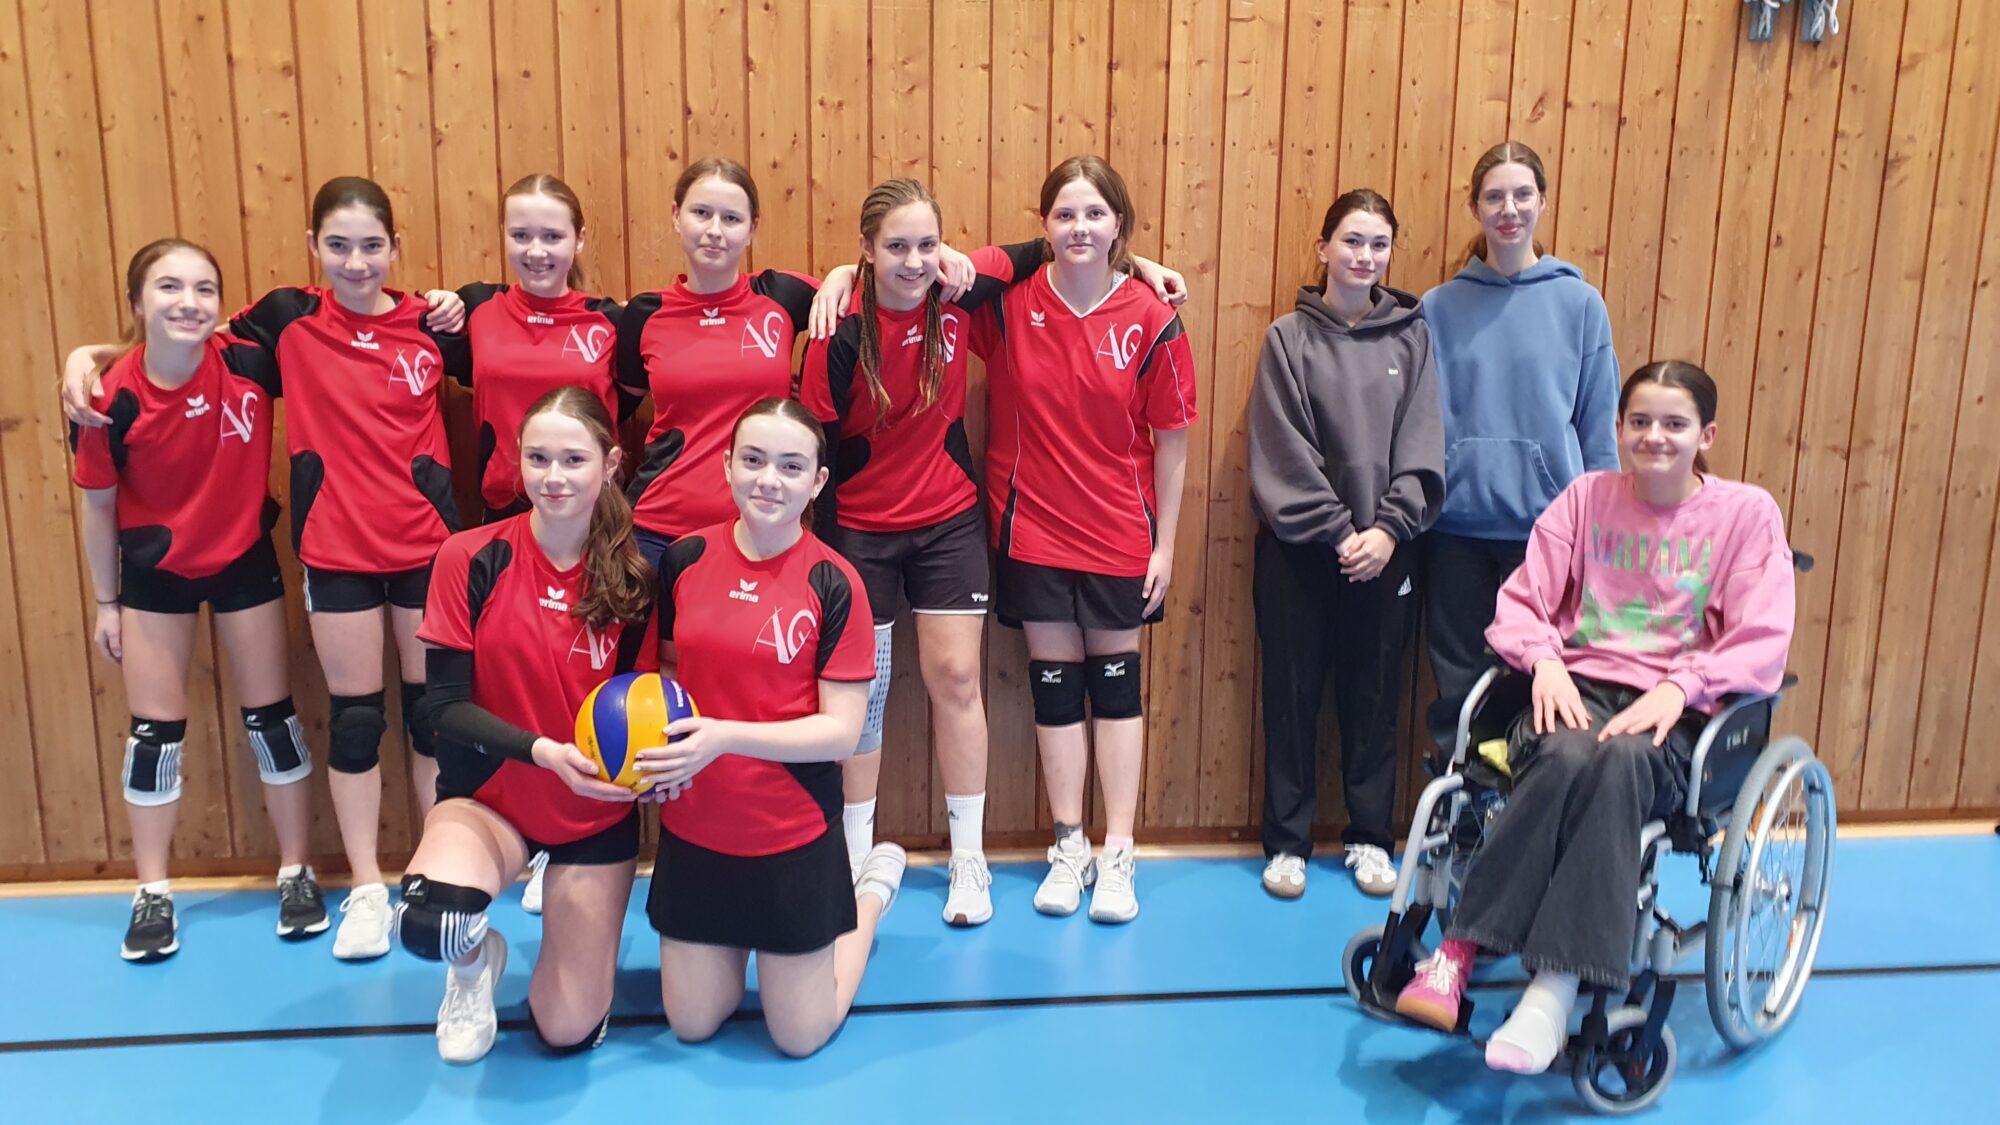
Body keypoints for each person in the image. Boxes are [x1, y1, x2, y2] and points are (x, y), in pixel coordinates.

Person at [62, 176, 469, 960]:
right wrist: (90, 355)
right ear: (314, 249)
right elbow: (178, 339)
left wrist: (452, 303)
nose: (357, 261)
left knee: (431, 719)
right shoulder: (285, 324)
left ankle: (431, 870)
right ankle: (366, 889)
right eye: (339, 245)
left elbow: (520, 352)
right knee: (355, 723)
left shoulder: (434, 323)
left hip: (426, 549)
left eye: (372, 244)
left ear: (395, 249)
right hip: (336, 552)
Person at [1394, 361, 1796, 1076]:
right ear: (1617, 429)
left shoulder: (1745, 514)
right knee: (1569, 753)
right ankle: (1457, 954)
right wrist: (1544, 659)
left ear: (1706, 434)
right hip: (1572, 689)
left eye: (1674, 424)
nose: (1654, 436)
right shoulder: (1585, 498)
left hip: (1677, 712)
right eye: (1639, 421)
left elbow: (1761, 638)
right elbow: (1521, 602)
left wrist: (1685, 685)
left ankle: (1552, 988)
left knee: (1620, 761)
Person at [70, 239, 323, 961]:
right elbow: (96, 507)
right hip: (154, 574)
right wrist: (106, 601)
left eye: (204, 288)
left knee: (272, 720)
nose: (188, 302)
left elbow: (341, 308)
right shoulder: (106, 397)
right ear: (137, 303)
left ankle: (295, 871)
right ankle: (152, 892)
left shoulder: (248, 356)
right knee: (156, 734)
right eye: (169, 287)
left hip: (244, 558)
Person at [397, 386, 654, 1062]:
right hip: (491, 796)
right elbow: (442, 706)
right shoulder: (470, 556)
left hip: (592, 810)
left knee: (563, 1028)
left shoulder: (633, 579)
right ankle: (476, 962)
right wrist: (541, 751)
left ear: (611, 462)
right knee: (436, 921)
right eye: (538, 457)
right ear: (518, 462)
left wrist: (638, 779)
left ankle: (570, 964)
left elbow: (646, 705)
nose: (554, 476)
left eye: (574, 458)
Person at [642, 397, 904, 1058]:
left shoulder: (836, 582)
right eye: (753, 460)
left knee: (799, 1035)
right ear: (726, 464)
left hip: (791, 833)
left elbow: (842, 733)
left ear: (817, 481)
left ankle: (868, 891)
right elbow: (668, 676)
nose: (769, 479)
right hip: (696, 828)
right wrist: (647, 764)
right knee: (693, 1022)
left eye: (791, 466)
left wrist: (725, 735)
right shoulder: (685, 558)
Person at [983, 155, 1199, 924]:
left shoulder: (1150, 314)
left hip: (1118, 533)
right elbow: (933, 276)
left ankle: (1117, 852)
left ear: (1119, 225)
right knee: (1053, 688)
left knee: (1113, 688)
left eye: (1095, 214)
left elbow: (1172, 440)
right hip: (1032, 530)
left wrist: (1164, 547)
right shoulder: (1008, 305)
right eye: (1065, 214)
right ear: (1043, 226)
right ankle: (1067, 844)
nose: (1080, 227)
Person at [615, 158, 977, 573]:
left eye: (731, 217)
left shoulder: (783, 295)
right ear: (677, 216)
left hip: (762, 528)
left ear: (752, 228)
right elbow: (618, 405)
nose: (715, 230)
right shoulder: (644, 315)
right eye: (701, 213)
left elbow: (886, 275)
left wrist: (849, 272)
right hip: (659, 528)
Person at [1248, 189, 1444, 900]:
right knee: (1292, 695)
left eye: (1379, 243)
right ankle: (1288, 843)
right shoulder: (1287, 339)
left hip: (1390, 549)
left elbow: (1424, 441)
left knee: (1375, 693)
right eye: (1352, 241)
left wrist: (1389, 528)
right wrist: (1340, 531)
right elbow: (1283, 450)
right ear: (1323, 248)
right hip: (1302, 550)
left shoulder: (1412, 337)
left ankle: (1368, 837)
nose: (1365, 255)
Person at [448, 172, 627, 914]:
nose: (536, 248)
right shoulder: (471, 312)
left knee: (584, 677)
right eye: (521, 233)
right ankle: (495, 833)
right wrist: (97, 356)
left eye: (552, 234)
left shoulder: (615, 322)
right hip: (503, 527)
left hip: (593, 531)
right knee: (505, 683)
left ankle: (568, 835)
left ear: (579, 241)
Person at [1421, 141, 1620, 761]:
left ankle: (1528, 818)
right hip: (1454, 531)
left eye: (1522, 195)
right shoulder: (1438, 307)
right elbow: (1420, 423)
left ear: (1543, 202)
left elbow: (1597, 427)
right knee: (1458, 684)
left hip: (1548, 534)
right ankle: (1461, 819)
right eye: (1495, 197)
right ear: (1475, 207)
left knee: (1541, 681)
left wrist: (1600, 529)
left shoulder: (1580, 304)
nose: (1509, 209)